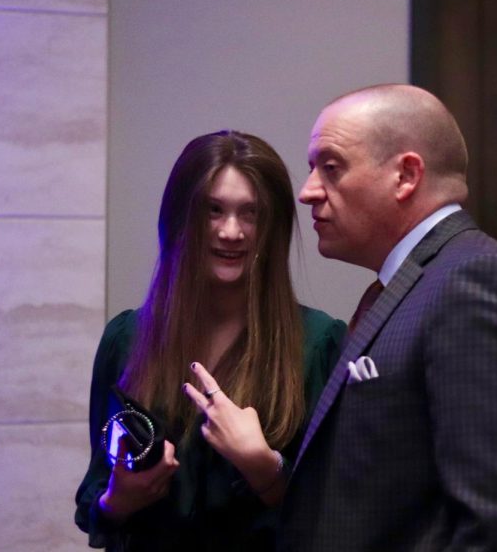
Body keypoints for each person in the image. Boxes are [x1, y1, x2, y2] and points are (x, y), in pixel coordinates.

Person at [278, 84, 497, 551]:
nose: (308, 191)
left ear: (405, 175)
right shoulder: (413, 284)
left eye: (331, 168)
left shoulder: (476, 283)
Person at [74, 131, 345, 550]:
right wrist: (119, 500)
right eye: (213, 210)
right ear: (181, 219)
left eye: (249, 213)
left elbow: (336, 515)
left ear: (271, 227)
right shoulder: (127, 338)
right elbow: (96, 500)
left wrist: (266, 469)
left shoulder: (317, 344)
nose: (231, 231)